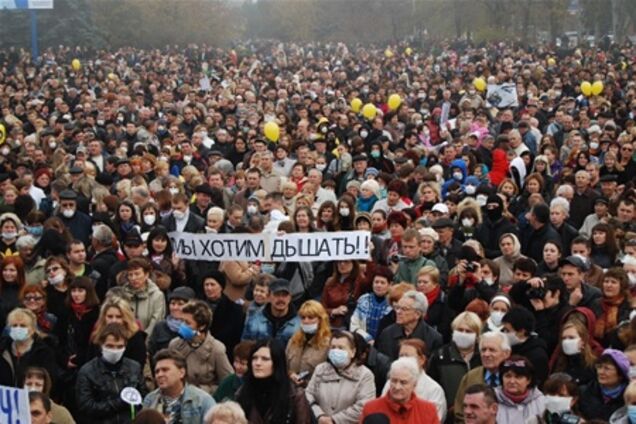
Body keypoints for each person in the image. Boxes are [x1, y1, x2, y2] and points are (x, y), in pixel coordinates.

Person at [75, 323, 146, 423]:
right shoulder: (87, 372)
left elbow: (144, 397)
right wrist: (119, 403)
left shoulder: (134, 368)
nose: (115, 351)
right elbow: (86, 406)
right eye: (110, 346)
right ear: (101, 345)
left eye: (119, 346)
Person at [305, 330, 376, 424]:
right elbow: (308, 394)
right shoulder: (320, 369)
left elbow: (364, 405)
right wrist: (320, 415)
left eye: (341, 348)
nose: (336, 351)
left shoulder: (365, 375)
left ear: (353, 351)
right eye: (333, 347)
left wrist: (334, 420)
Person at [235, 338, 312, 423]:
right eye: (254, 358)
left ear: (276, 363)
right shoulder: (243, 392)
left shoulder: (294, 396)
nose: (258, 363)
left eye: (265, 359)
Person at [169, 300, 233, 394]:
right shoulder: (174, 345)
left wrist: (203, 390)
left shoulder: (216, 349)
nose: (182, 325)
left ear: (202, 326)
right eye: (182, 321)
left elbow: (228, 383)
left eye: (187, 323)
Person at [142, 349, 216, 423]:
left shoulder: (202, 401)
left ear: (182, 373)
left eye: (165, 370)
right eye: (157, 372)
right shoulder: (150, 400)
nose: (159, 375)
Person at [381, 338, 447, 422]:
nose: (403, 360)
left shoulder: (434, 390)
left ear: (422, 360)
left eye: (407, 356)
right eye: (401, 356)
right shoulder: (390, 383)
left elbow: (436, 419)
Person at [428, 312, 482, 411]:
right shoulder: (440, 356)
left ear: (477, 335)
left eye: (468, 331)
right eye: (460, 330)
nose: (464, 334)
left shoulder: (483, 357)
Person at [360, 356, 440, 423]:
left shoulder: (428, 410)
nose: (397, 387)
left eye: (403, 382)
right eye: (394, 381)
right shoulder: (371, 408)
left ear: (414, 384)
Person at [453, 331, 512, 423]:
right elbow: (459, 413)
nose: (486, 354)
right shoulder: (470, 377)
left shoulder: (515, 380)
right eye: (483, 350)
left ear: (506, 353)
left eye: (492, 350)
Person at [375, 290, 443, 360]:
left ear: (417, 314)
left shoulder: (433, 338)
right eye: (397, 308)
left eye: (404, 309)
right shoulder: (387, 333)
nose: (398, 312)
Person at [0, 308, 59, 388]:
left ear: (32, 329)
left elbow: (50, 380)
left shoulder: (43, 352)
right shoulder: (3, 350)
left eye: (23, 326)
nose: (18, 328)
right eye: (14, 325)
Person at [89, 297, 147, 367]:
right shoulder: (96, 336)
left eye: (118, 317)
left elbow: (138, 365)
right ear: (104, 317)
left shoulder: (135, 337)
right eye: (110, 317)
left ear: (125, 318)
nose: (114, 320)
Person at [241, 278, 300, 345]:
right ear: (268, 296)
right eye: (276, 295)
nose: (281, 299)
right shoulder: (254, 319)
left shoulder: (299, 324)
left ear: (290, 298)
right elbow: (245, 348)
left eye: (284, 295)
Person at [501, 306, 549, 387]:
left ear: (521, 331)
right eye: (503, 330)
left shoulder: (537, 356)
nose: (504, 334)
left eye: (507, 331)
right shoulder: (510, 348)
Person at [203, 270, 245, 361]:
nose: (209, 288)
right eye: (206, 285)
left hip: (225, 355)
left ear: (221, 287)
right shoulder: (198, 307)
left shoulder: (235, 309)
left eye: (212, 284)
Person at [286, 300, 331, 386]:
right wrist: (291, 374)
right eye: (303, 317)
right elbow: (284, 365)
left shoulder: (328, 344)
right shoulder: (293, 340)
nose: (306, 321)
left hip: (314, 392)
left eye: (311, 317)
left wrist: (306, 383)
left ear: (320, 319)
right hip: (290, 389)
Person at [117, 257, 166, 335]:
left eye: (137, 274)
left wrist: (143, 339)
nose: (133, 278)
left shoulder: (157, 295)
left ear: (146, 275)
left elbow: (156, 321)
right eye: (130, 275)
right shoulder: (122, 294)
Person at [579, 348, 630, 421]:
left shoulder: (629, 397)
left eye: (607, 368)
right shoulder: (585, 391)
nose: (601, 372)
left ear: (620, 375)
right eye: (599, 367)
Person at [147, 286, 195, 360]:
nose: (175, 307)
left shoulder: (195, 326)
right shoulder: (160, 327)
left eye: (180, 304)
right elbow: (151, 353)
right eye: (173, 303)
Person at [495, 355, 546, 423]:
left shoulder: (541, 402)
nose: (512, 381)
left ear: (528, 380)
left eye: (518, 377)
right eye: (508, 376)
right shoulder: (492, 399)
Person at [349, 266, 393, 342]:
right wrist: (367, 338)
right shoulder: (363, 299)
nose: (379, 285)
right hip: (364, 341)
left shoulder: (393, 303)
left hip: (385, 343)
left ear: (389, 285)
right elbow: (354, 324)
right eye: (376, 282)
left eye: (382, 283)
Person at [549, 320, 597, 386]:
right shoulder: (558, 363)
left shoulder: (592, 365)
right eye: (564, 338)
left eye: (571, 337)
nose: (566, 341)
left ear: (582, 340)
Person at [321, 259, 365, 328]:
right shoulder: (330, 282)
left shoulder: (360, 281)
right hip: (331, 325)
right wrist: (333, 311)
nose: (342, 264)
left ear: (353, 263)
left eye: (346, 261)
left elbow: (372, 277)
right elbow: (322, 308)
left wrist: (369, 258)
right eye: (339, 261)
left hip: (352, 325)